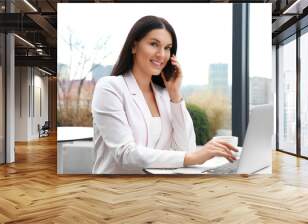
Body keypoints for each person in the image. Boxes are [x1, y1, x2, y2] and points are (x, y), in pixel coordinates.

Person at [91, 15, 237, 174]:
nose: (162, 54)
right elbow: (125, 154)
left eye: (167, 48)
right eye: (154, 44)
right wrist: (193, 157)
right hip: (115, 192)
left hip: (155, 190)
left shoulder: (164, 95)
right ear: (134, 46)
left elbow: (186, 149)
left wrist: (175, 94)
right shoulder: (110, 88)